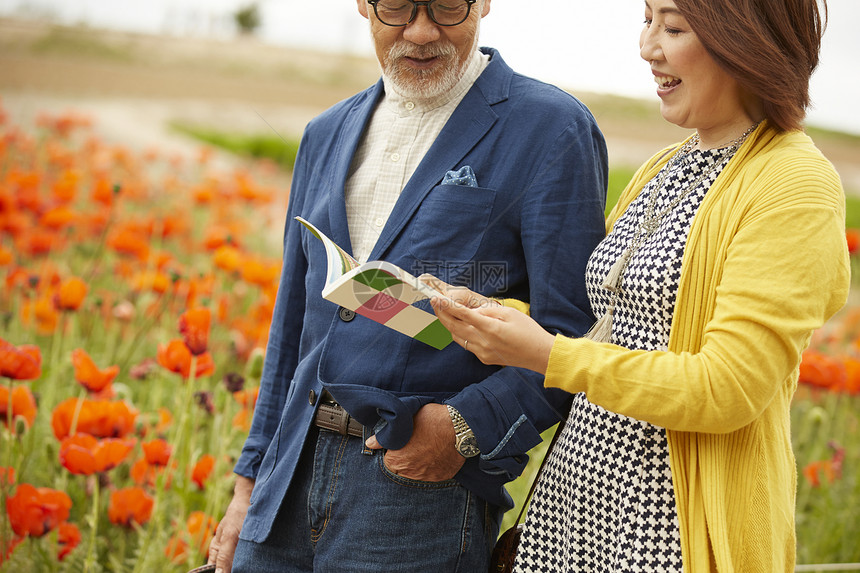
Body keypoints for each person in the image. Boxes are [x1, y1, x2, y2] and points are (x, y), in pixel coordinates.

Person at [429, 0, 850, 570]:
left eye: (673, 27)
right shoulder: (667, 165)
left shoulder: (794, 184)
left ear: (747, 37)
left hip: (666, 536)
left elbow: (728, 389)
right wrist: (497, 314)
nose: (648, 47)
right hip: (571, 519)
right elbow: (618, 326)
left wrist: (548, 354)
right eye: (647, 20)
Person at [206, 0, 608, 571]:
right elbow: (291, 327)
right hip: (286, 478)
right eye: (396, 7)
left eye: (447, 6)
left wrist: (462, 429)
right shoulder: (325, 133)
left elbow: (576, 334)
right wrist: (248, 484)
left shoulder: (550, 126)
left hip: (419, 495)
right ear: (363, 7)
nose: (421, 32)